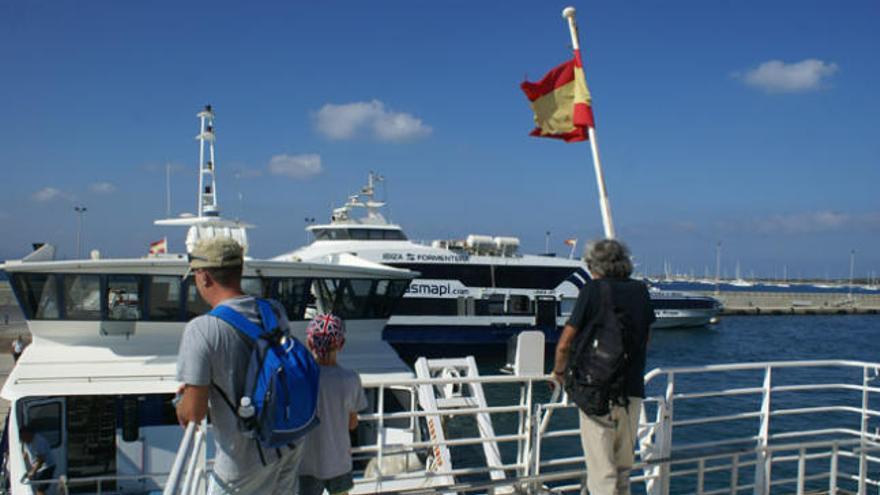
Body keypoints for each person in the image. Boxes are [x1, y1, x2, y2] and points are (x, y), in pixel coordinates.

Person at [175, 237, 302, 495]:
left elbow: (193, 414)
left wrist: (181, 400)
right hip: (289, 444)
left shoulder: (201, 329)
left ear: (204, 277)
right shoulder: (274, 311)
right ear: (240, 271)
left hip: (243, 462)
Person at [551, 239, 654, 495]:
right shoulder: (640, 290)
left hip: (595, 390)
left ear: (594, 265)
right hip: (630, 390)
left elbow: (565, 342)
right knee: (622, 471)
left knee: (602, 472)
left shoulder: (593, 290)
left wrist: (559, 373)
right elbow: (646, 338)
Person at [298, 313, 367, 495]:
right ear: (341, 344)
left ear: (309, 343)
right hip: (339, 462)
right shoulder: (350, 379)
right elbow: (352, 424)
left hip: (305, 463)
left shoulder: (299, 378)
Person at [19, 425, 55, 495]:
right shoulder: (26, 441)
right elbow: (26, 451)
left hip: (47, 467)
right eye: (22, 437)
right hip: (38, 468)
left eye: (24, 437)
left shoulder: (39, 441)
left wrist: (32, 472)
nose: (23, 439)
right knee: (37, 489)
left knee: (40, 490)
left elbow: (41, 460)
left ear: (29, 434)